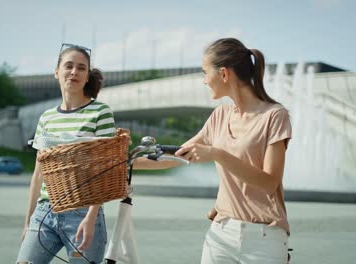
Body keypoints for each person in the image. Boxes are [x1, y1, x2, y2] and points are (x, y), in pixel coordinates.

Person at [136, 37, 292, 264]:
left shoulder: (275, 116)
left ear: (224, 74)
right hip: (221, 234)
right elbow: (178, 155)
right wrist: (125, 160)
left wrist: (217, 154)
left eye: (204, 72)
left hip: (265, 238)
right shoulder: (219, 115)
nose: (204, 81)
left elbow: (269, 182)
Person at [16, 43, 116, 264]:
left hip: (83, 213)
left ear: (88, 76)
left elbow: (105, 169)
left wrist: (91, 218)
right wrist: (28, 221)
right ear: (56, 72)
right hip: (44, 212)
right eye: (69, 66)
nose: (74, 72)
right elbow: (38, 173)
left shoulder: (101, 112)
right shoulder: (46, 117)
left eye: (81, 68)